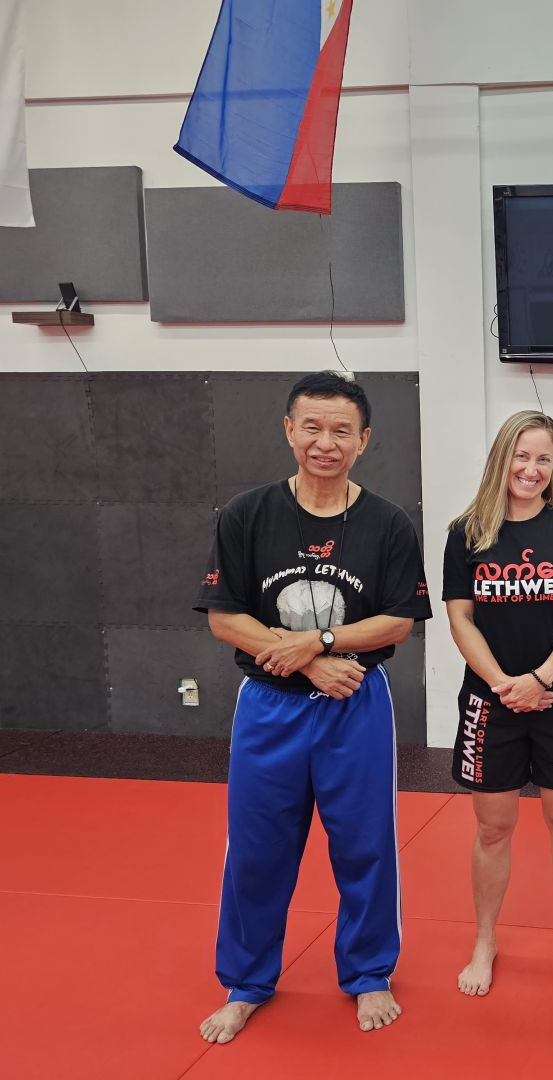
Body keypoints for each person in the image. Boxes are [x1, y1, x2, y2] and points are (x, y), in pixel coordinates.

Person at [194, 371, 432, 1044]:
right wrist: (305, 661)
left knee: (365, 845)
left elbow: (398, 621)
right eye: (313, 427)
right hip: (270, 705)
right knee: (256, 849)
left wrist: (322, 642)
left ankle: (368, 973)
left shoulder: (387, 522)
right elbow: (224, 617)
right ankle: (246, 982)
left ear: (364, 440)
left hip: (354, 703)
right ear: (289, 430)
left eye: (341, 431)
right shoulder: (248, 514)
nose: (326, 442)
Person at [443, 410, 553, 997]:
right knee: (493, 827)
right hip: (493, 701)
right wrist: (504, 684)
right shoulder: (467, 532)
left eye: (544, 458)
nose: (531, 469)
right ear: (501, 459)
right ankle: (485, 940)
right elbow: (460, 618)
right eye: (522, 455)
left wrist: (540, 677)